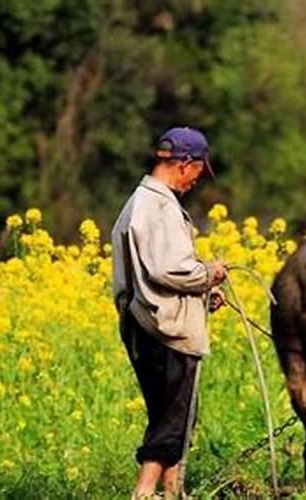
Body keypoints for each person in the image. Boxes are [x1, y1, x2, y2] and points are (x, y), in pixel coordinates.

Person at [111, 126, 227, 499]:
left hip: (142, 323)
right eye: (198, 171)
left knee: (170, 414)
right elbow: (168, 269)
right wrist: (208, 274)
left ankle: (173, 491)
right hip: (166, 330)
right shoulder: (159, 206)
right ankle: (143, 494)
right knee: (172, 419)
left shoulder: (137, 203)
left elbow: (150, 273)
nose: (197, 181)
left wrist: (202, 295)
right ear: (184, 164)